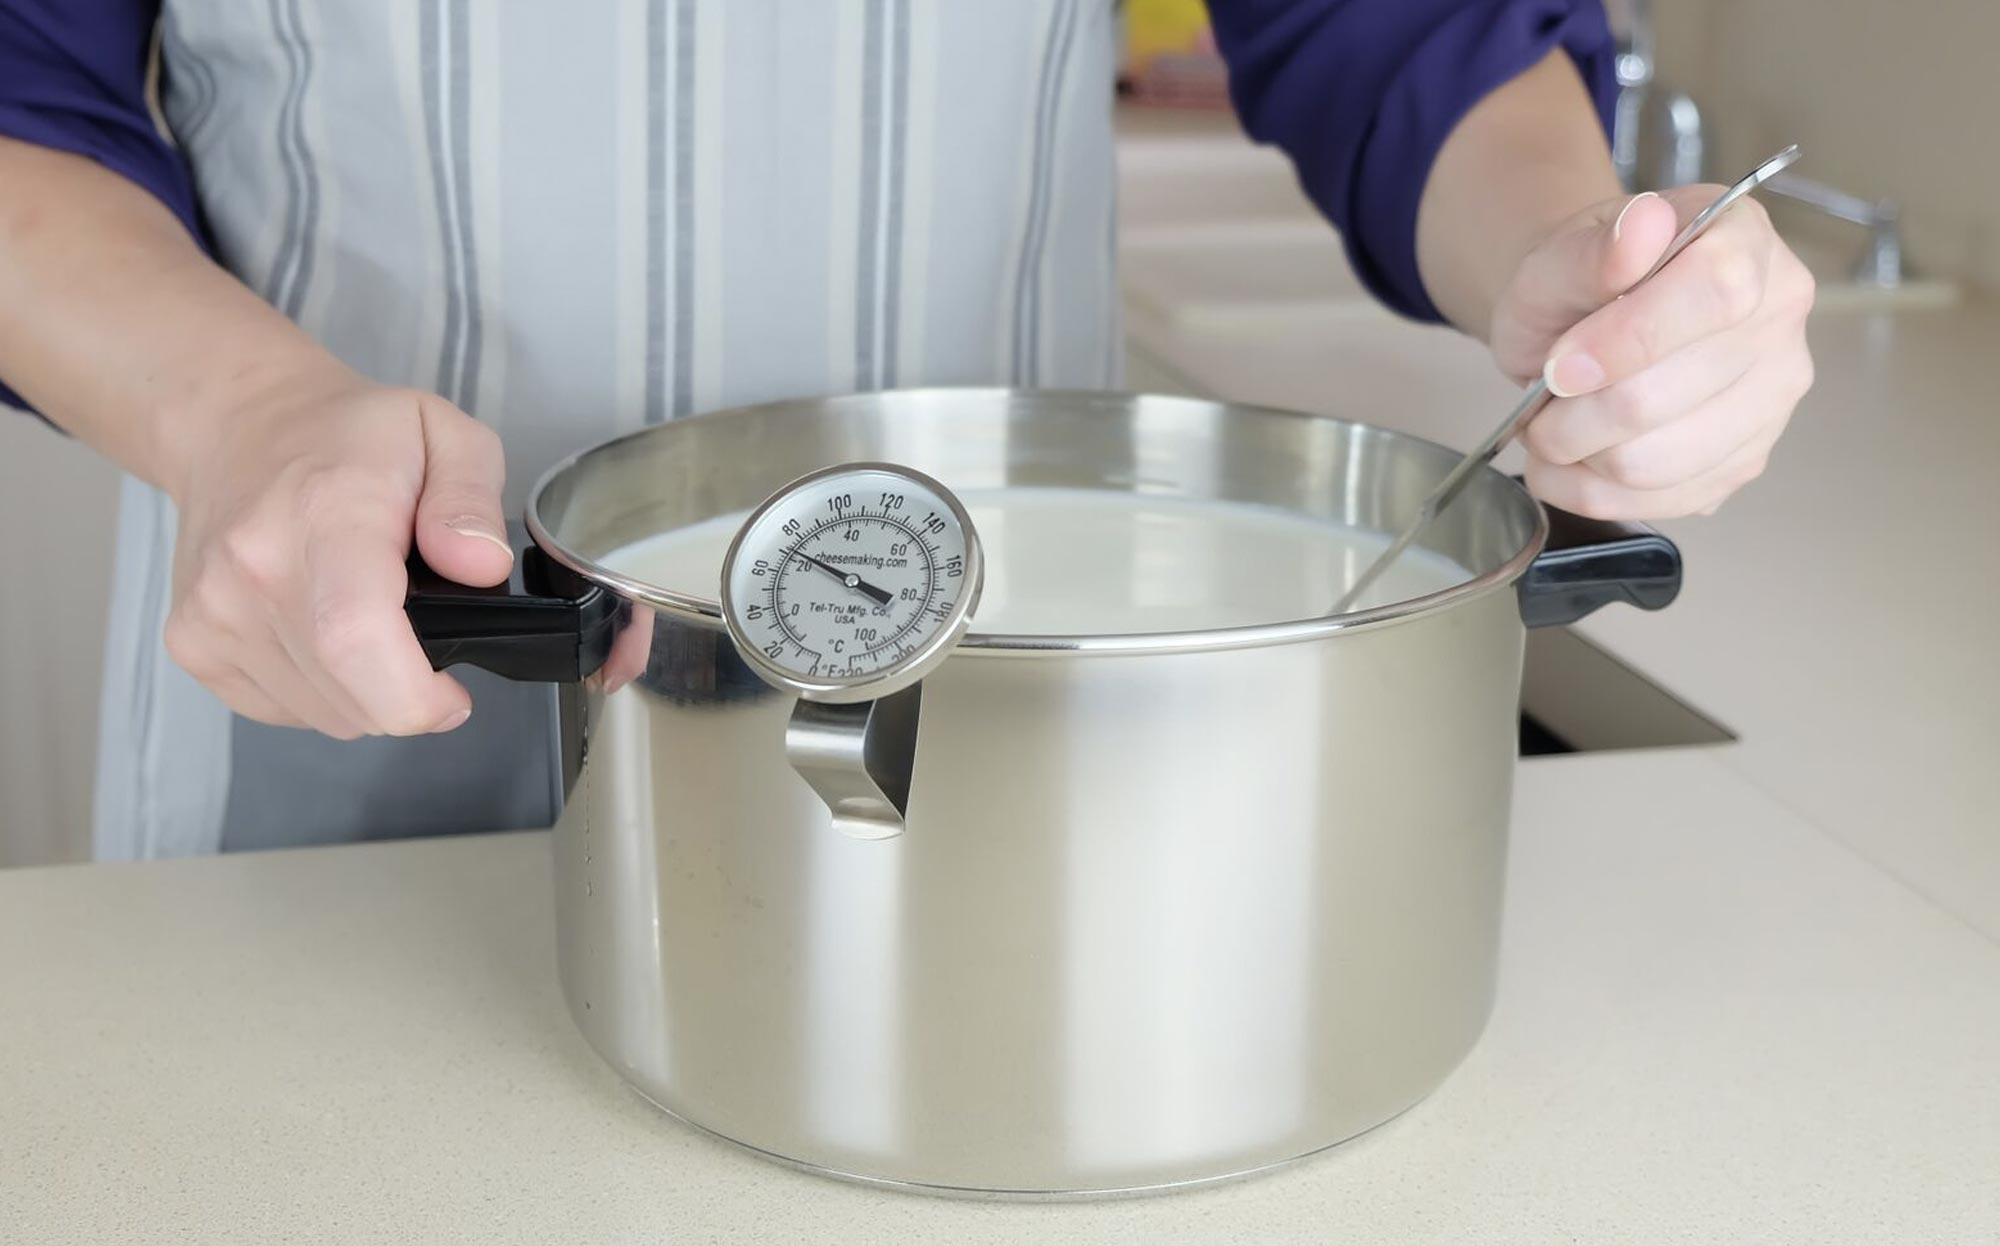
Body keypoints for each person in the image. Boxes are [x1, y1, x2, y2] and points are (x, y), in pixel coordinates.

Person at [0, 0, 1814, 858]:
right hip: (366, 680)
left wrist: (1585, 268)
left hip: (989, 733)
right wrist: (242, 410)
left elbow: (1397, 26)